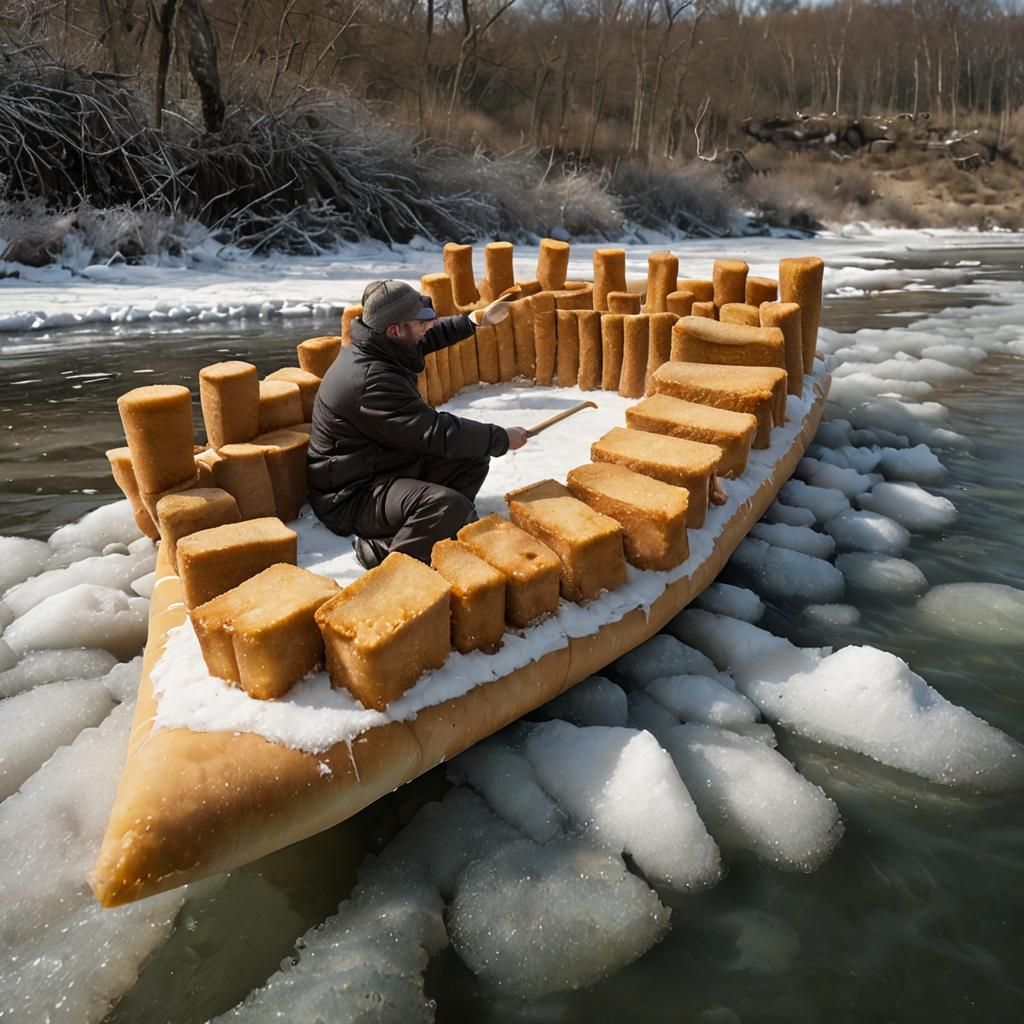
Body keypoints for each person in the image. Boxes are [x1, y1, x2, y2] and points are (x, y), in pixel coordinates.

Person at [307, 279, 529, 569]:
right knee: (446, 505)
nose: (429, 324)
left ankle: (434, 530)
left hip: (383, 466)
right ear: (395, 330)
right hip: (351, 496)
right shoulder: (373, 381)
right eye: (421, 321)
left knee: (473, 457)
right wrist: (501, 438)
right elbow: (434, 433)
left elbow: (426, 337)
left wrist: (474, 320)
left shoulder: (381, 345)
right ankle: (391, 559)